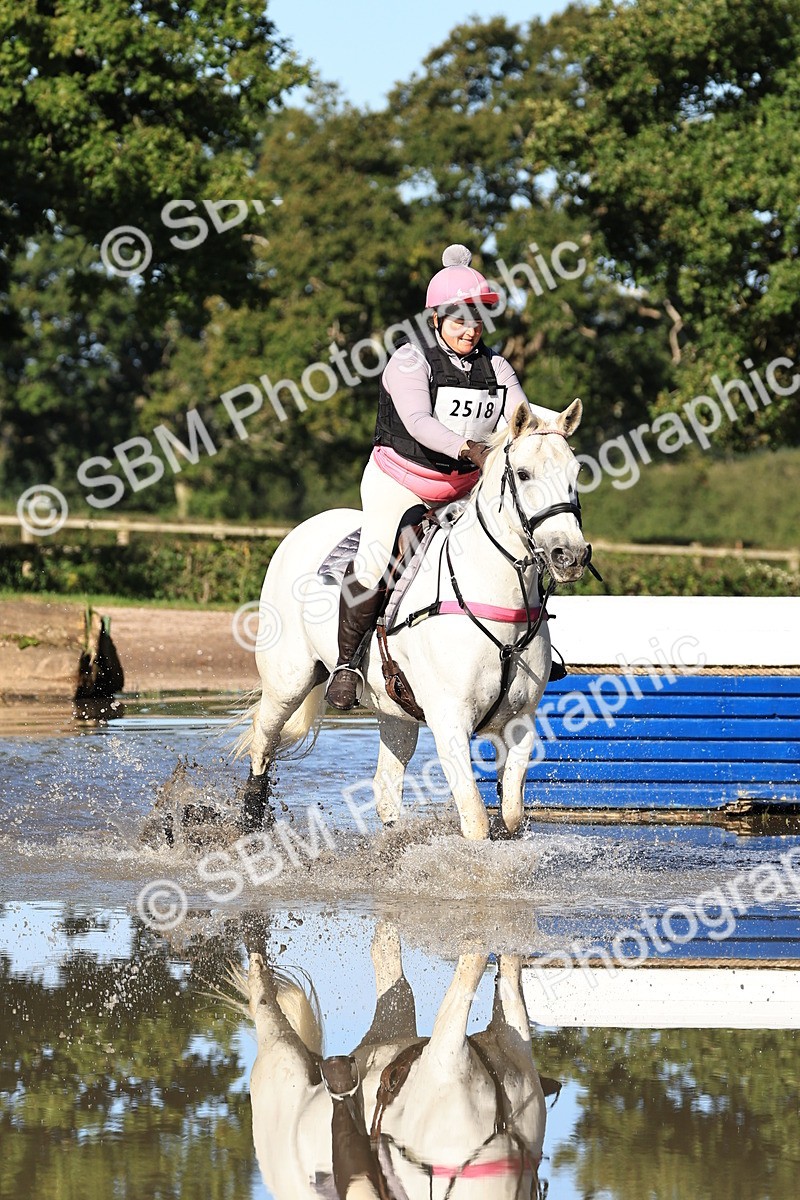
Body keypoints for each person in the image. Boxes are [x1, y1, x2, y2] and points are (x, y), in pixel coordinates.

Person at [325, 244, 558, 711]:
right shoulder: (409, 362)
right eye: (459, 322)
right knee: (375, 561)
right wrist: (468, 448)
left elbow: (522, 415)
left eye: (477, 321)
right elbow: (418, 422)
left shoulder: (496, 367)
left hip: (462, 488)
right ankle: (347, 664)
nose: (470, 330)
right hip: (401, 480)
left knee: (520, 543)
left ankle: (531, 646)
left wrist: (554, 431)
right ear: (436, 319)